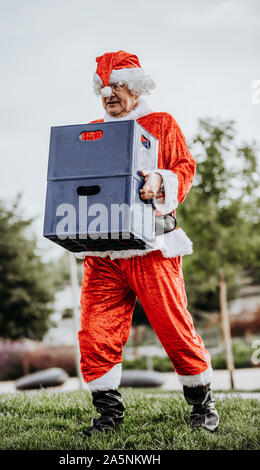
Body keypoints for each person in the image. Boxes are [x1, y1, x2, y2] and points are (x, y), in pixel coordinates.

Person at [75, 50, 219, 436]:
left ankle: (202, 404)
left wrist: (158, 181)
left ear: (135, 87)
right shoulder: (90, 129)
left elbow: (184, 168)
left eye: (117, 86)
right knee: (95, 331)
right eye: (103, 89)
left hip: (151, 247)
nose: (109, 95)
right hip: (102, 250)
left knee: (172, 326)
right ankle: (108, 415)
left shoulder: (161, 123)